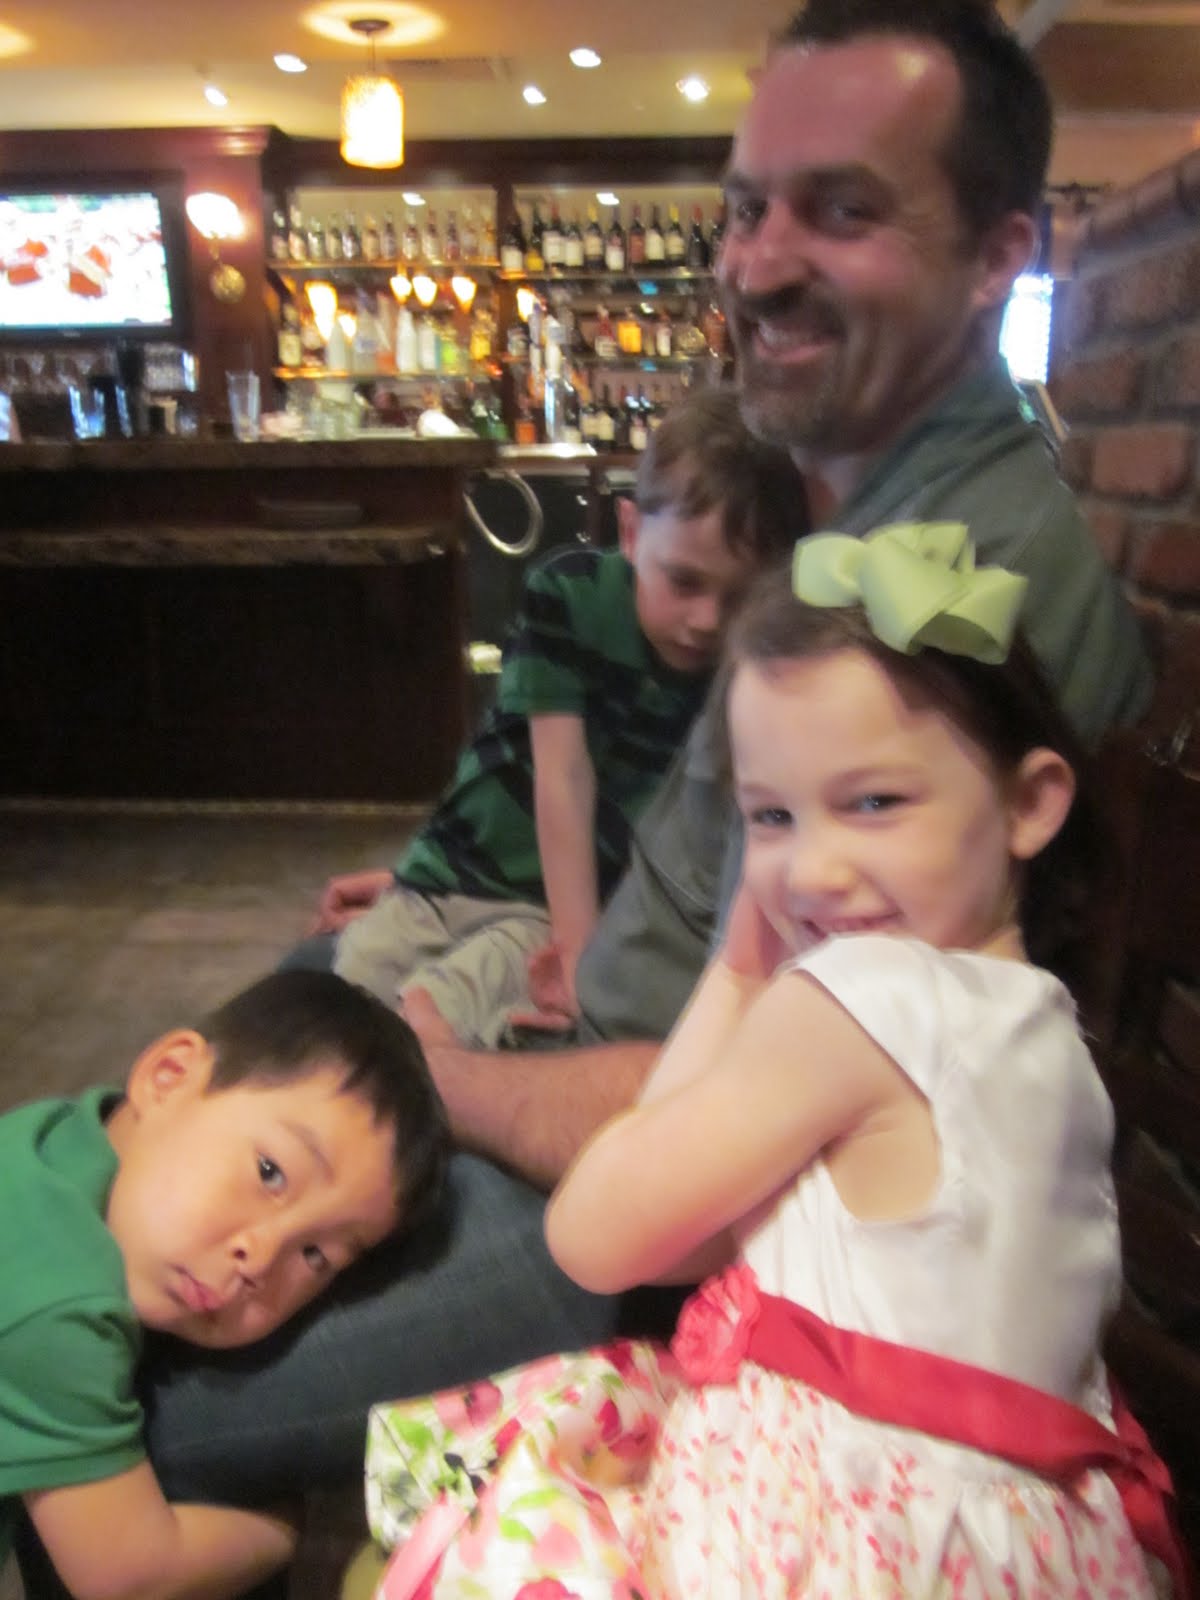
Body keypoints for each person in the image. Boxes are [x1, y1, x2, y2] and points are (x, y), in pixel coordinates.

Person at [126, 0, 1152, 1534]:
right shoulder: (846, 519)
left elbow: (751, 1106)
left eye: (842, 211)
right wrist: (475, 896)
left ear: (1001, 253)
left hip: (659, 1205)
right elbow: (695, 869)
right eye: (747, 209)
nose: (757, 263)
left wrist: (440, 1077)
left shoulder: (961, 590)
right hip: (594, 1076)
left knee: (135, 1404)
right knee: (189, 1117)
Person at [360, 528, 1186, 1600]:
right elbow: (697, 1243)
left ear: (1028, 803)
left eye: (875, 802)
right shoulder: (1045, 1030)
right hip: (1022, 1544)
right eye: (772, 816)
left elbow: (598, 1239)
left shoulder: (857, 1000)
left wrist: (742, 965)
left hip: (847, 1547)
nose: (814, 869)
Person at [311, 385, 804, 1042]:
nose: (708, 621)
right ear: (631, 532)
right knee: (341, 999)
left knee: (433, 1019)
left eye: (739, 596)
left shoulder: (745, 666)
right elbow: (562, 778)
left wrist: (577, 954)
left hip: (545, 909)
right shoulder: (570, 593)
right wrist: (413, 883)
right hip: (448, 872)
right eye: (684, 581)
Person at [4, 969, 447, 1600]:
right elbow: (129, 1573)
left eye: (315, 1254)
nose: (260, 1258)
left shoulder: (64, 1142)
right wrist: (286, 1525)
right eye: (270, 1172)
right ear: (168, 1076)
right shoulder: (57, 1305)